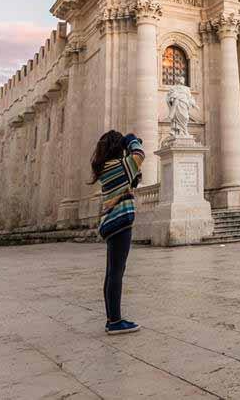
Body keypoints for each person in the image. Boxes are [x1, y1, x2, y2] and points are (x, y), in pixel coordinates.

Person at [90, 130, 144, 335]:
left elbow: (132, 181)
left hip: (111, 223)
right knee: (116, 273)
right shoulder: (121, 166)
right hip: (120, 223)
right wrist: (131, 139)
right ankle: (115, 321)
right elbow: (139, 154)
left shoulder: (106, 167)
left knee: (112, 272)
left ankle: (111, 318)